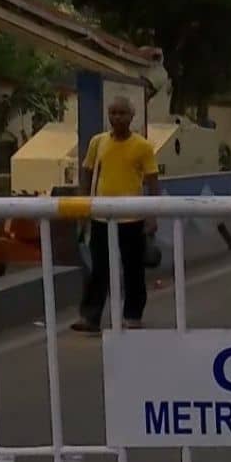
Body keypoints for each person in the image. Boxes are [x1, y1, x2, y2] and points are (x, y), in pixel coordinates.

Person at [71, 96, 161, 334]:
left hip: (132, 219)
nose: (117, 117)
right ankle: (90, 318)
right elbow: (86, 174)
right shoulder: (97, 142)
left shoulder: (143, 146)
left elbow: (153, 182)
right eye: (113, 113)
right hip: (102, 217)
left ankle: (133, 316)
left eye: (122, 113)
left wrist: (152, 216)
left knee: (133, 269)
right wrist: (82, 207)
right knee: (99, 268)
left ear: (131, 117)